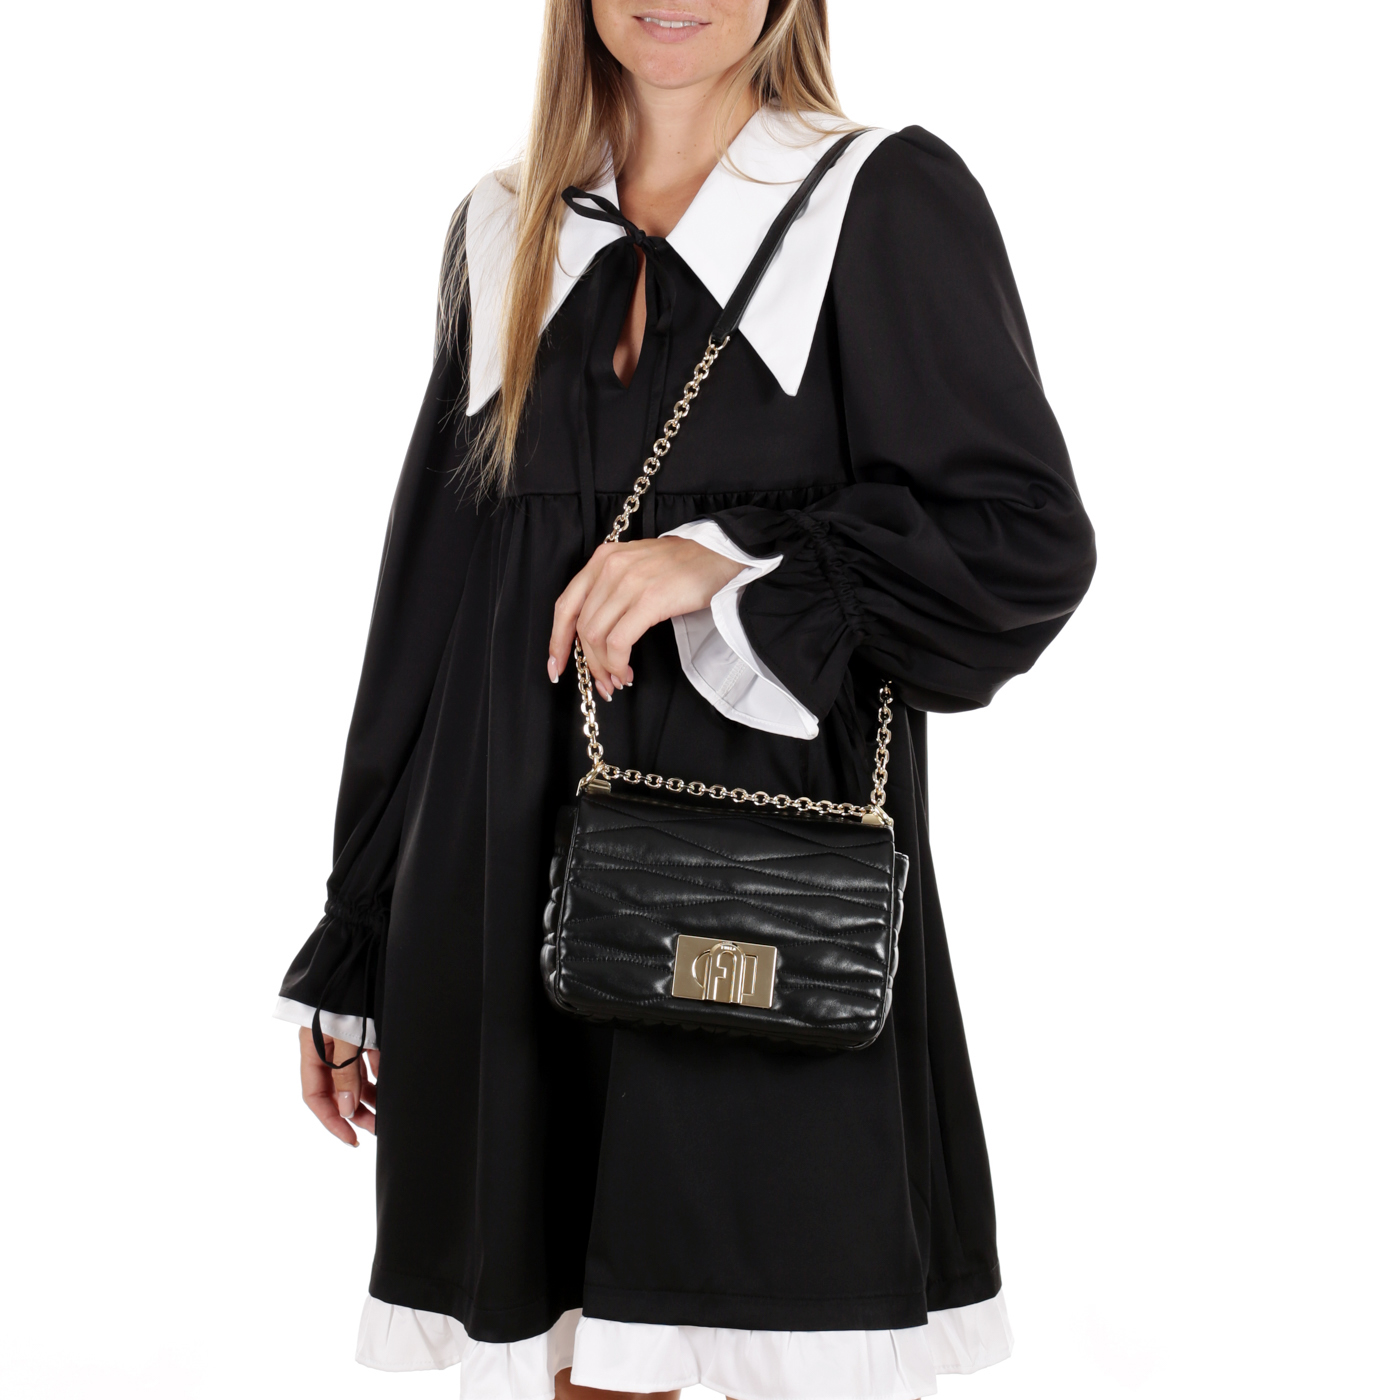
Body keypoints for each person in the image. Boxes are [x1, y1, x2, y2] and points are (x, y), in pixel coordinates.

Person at [276, 3, 1096, 1397]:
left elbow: (1021, 539)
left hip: (765, 878)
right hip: (500, 875)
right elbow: (428, 602)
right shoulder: (505, 224)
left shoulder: (875, 196)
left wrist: (724, 559)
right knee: (581, 1365)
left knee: (782, 1332)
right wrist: (358, 935)